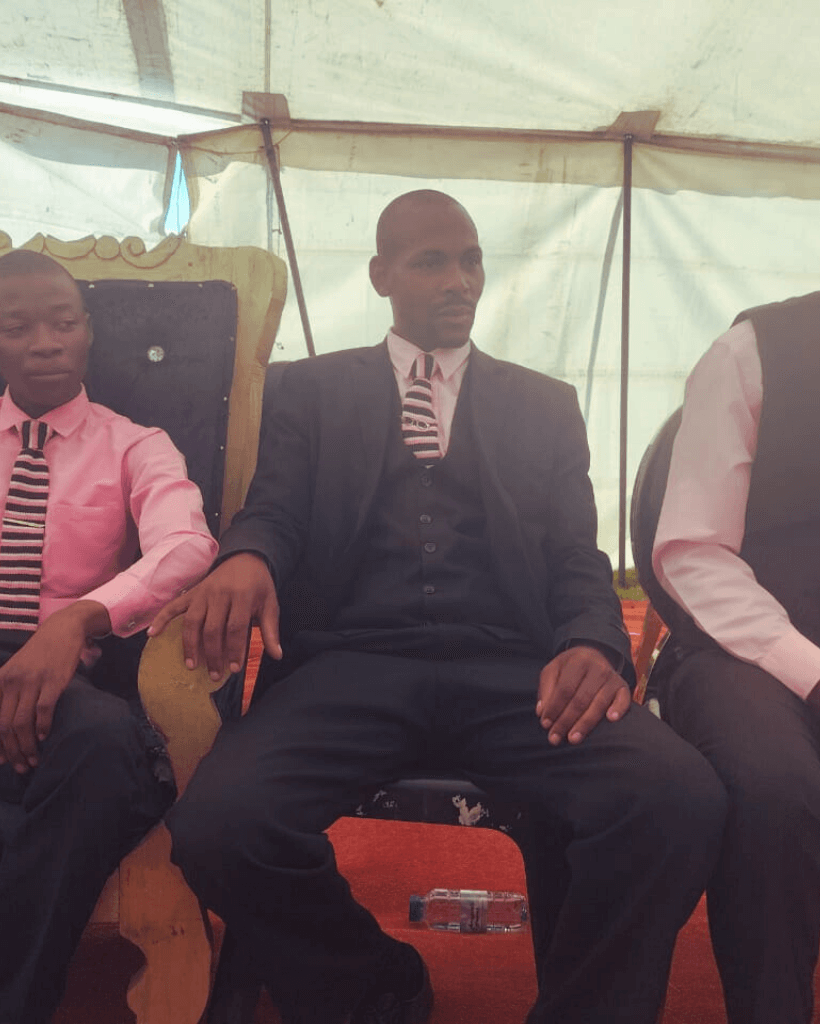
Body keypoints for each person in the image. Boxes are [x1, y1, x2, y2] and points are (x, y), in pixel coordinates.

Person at [152, 189, 726, 1024]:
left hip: (512, 674)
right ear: (382, 274)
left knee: (678, 797)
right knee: (219, 826)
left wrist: (594, 643)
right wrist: (244, 554)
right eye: (432, 261)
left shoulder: (545, 404)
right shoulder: (307, 391)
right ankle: (372, 984)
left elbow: (576, 552)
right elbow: (275, 508)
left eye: (472, 260)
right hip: (347, 669)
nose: (460, 280)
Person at [0, 248, 218, 1024]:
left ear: (89, 333)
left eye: (62, 323)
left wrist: (77, 619)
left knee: (101, 749)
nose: (45, 343)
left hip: (71, 671)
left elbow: (185, 545)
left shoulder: (135, 443)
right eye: (18, 327)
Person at [652, 289, 820, 1024]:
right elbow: (693, 552)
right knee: (776, 787)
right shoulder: (754, 351)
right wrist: (810, 671)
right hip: (742, 647)